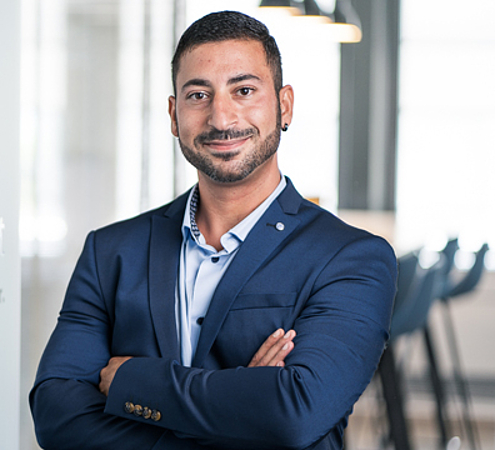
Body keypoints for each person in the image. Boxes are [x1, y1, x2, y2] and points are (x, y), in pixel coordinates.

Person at [30, 10, 396, 450]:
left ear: (284, 106)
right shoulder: (110, 252)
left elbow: (295, 414)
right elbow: (56, 415)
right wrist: (242, 412)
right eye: (198, 95)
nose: (221, 118)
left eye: (244, 90)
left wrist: (132, 380)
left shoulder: (351, 259)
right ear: (174, 115)